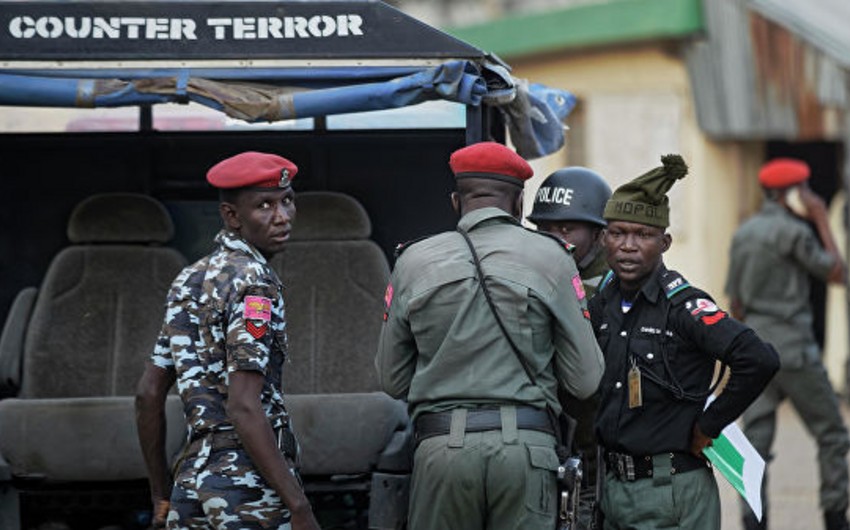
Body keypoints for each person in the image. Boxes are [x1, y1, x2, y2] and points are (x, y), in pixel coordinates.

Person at [375, 141, 605, 530]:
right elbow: (584, 382)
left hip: (440, 453)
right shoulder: (552, 258)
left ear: (455, 201)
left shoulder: (412, 261)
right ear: (518, 205)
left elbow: (391, 380)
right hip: (526, 453)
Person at [589, 154, 779, 530]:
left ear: (665, 242)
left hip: (671, 488)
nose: (628, 245)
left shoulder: (684, 306)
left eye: (643, 235)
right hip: (613, 489)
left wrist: (710, 425)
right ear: (602, 238)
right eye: (617, 233)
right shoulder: (601, 304)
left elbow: (758, 359)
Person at [135, 151, 321, 530]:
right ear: (232, 216)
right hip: (248, 487)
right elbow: (243, 406)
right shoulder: (256, 283)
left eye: (287, 200)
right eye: (264, 206)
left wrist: (161, 495)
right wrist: (298, 506)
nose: (282, 216)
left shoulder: (188, 279)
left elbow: (148, 394)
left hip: (191, 484)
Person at [725, 158, 850, 530]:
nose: (811, 196)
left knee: (755, 446)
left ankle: (753, 522)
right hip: (794, 350)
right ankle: (835, 516)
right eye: (806, 189)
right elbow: (836, 272)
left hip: (756, 351)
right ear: (791, 193)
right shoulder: (795, 231)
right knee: (832, 433)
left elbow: (736, 304)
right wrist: (822, 218)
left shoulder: (744, 233)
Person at [527, 166, 612, 530]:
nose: (554, 240)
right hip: (554, 445)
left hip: (602, 448)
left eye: (566, 230)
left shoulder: (622, 281)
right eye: (544, 230)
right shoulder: (529, 271)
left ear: (598, 233)